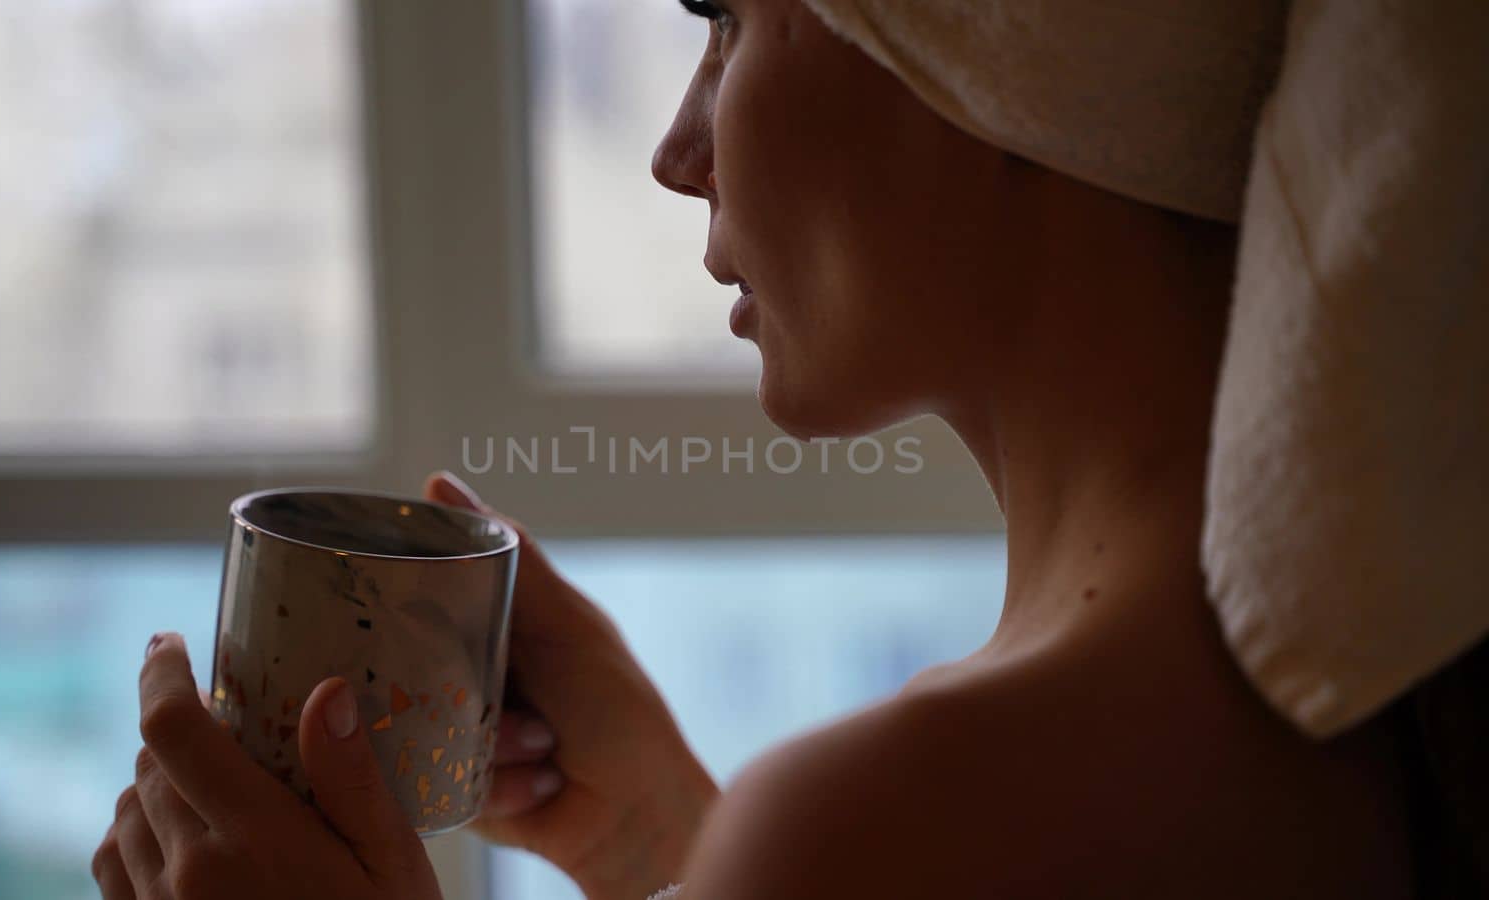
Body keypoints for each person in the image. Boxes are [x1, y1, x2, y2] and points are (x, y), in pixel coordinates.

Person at [92, 0, 1486, 897]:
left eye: (727, 24)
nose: (675, 150)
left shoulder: (906, 823)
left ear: (994, 65)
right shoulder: (1363, 702)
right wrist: (669, 845)